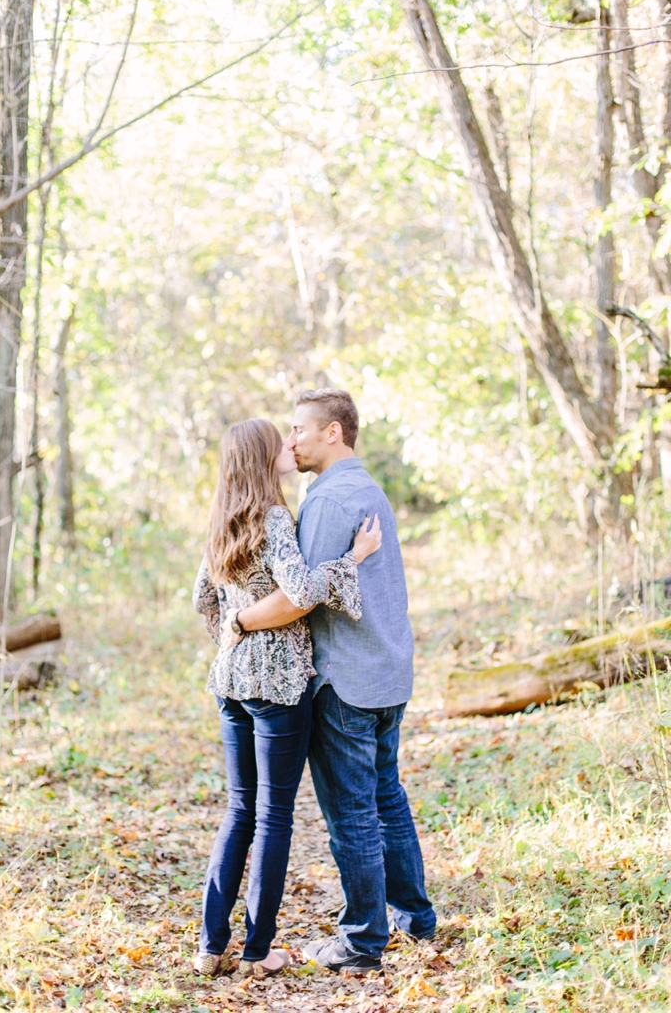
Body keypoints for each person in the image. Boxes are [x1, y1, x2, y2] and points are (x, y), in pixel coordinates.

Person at [221, 389, 436, 975]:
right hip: (388, 671)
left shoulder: (326, 503)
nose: (291, 441)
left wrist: (237, 620)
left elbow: (298, 597)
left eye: (299, 430)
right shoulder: (368, 490)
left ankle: (363, 940)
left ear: (333, 433)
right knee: (386, 797)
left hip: (344, 680)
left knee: (353, 814)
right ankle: (412, 917)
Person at [192, 417, 382, 979]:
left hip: (230, 681)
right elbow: (299, 592)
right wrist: (354, 558)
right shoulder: (274, 517)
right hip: (277, 686)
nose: (289, 446)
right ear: (259, 457)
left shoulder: (219, 520)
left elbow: (202, 598)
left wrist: (232, 633)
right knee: (273, 817)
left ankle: (209, 946)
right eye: (280, 441)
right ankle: (256, 953)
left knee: (238, 810)